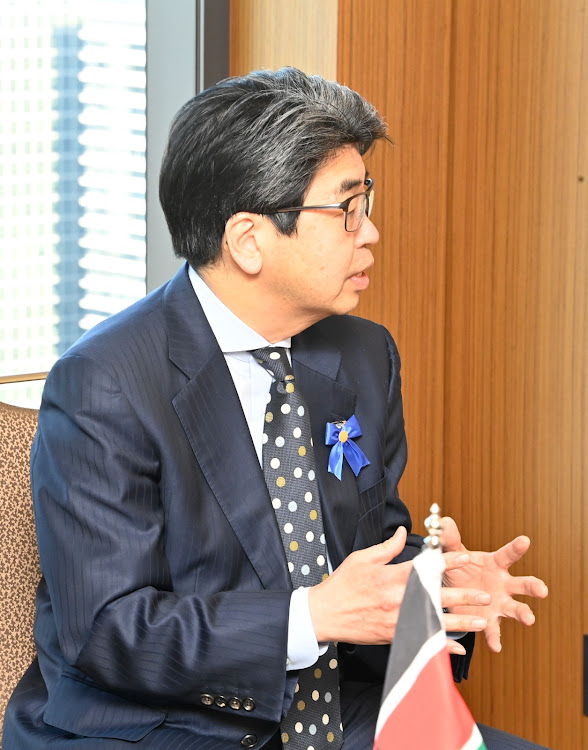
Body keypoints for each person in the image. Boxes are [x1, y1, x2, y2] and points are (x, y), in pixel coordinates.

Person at [3, 67, 548, 749]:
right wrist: (313, 615)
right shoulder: (104, 384)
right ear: (249, 240)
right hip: (168, 728)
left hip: (328, 715)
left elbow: (367, 554)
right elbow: (110, 632)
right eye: (346, 209)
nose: (371, 232)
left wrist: (432, 588)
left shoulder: (361, 355)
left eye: (366, 201)